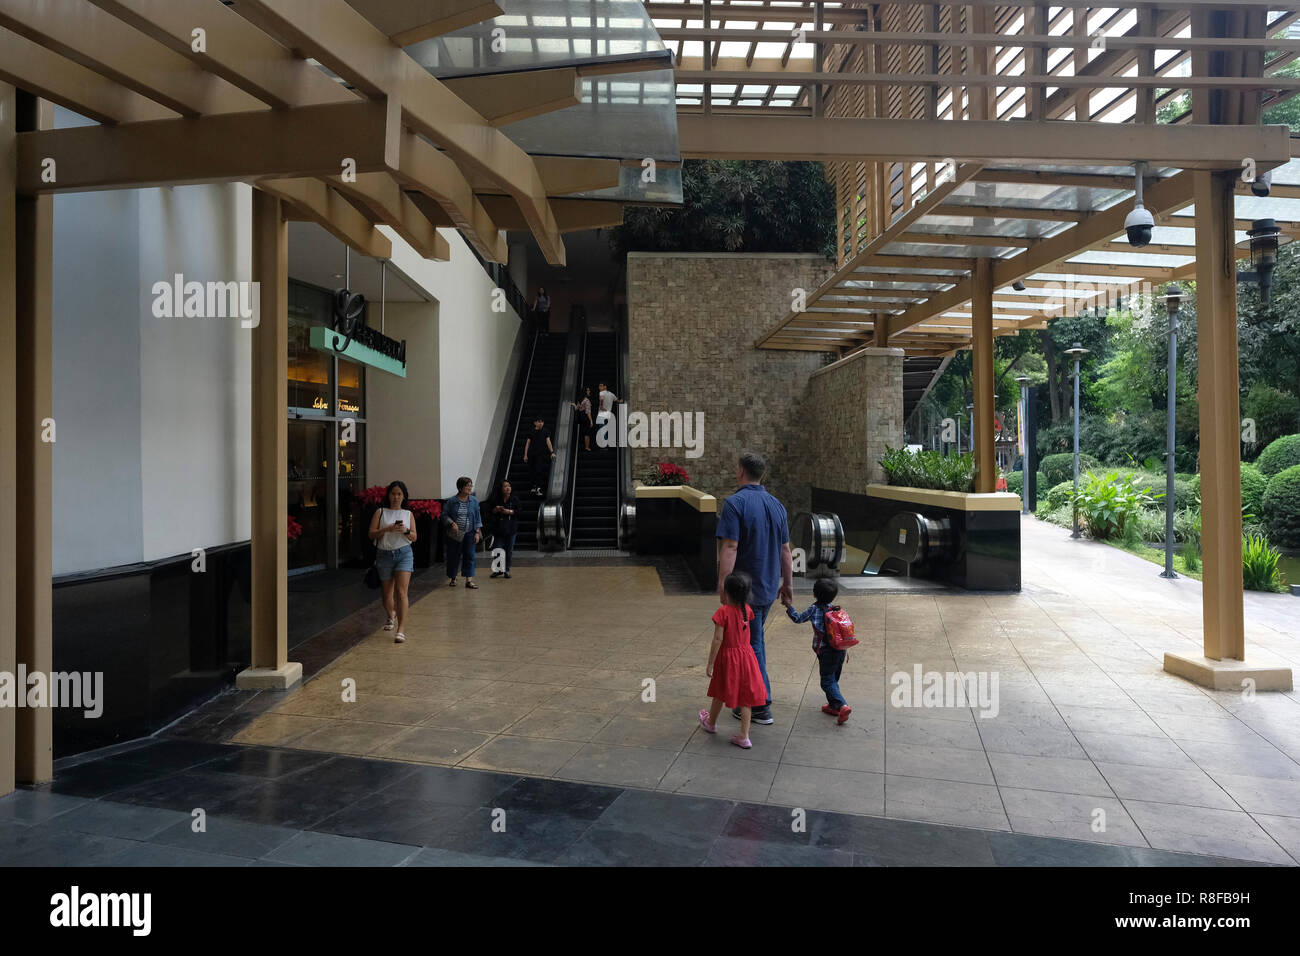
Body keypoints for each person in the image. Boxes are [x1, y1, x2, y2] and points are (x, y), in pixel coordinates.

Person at [715, 452, 793, 725]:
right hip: (769, 587)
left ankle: (759, 704)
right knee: (753, 642)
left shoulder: (735, 504)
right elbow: (786, 551)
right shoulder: (777, 506)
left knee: (751, 645)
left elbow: (730, 547)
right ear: (762, 475)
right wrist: (788, 585)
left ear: (740, 472)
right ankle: (749, 699)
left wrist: (724, 584)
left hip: (743, 591)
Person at [699, 572, 768, 750]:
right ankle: (744, 736)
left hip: (728, 658)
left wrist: (710, 663)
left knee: (720, 692)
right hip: (746, 657)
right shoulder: (748, 609)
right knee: (746, 698)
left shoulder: (723, 612)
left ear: (726, 592)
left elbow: (717, 639)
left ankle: (711, 722)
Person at [787, 578, 852, 725]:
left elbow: (797, 618)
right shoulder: (835, 610)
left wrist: (789, 606)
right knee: (833, 679)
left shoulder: (814, 609)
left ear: (814, 594)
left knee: (827, 681)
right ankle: (834, 706)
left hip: (826, 652)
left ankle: (842, 706)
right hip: (841, 650)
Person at [369, 480, 416, 643]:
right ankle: (391, 615)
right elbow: (371, 534)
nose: (396, 497)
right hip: (384, 554)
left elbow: (414, 537)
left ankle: (401, 629)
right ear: (388, 495)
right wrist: (386, 529)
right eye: (393, 493)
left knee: (402, 592)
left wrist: (406, 531)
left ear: (404, 496)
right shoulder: (380, 512)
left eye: (399, 494)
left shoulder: (407, 514)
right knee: (386, 594)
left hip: (404, 553)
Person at [443, 476, 482, 589]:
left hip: (470, 532)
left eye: (471, 485)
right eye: (467, 485)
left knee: (470, 556)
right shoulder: (452, 501)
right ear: (460, 487)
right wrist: (451, 523)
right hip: (456, 534)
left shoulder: (474, 501)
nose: (470, 488)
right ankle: (453, 578)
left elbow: (478, 517)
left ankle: (469, 580)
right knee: (454, 556)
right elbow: (444, 515)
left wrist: (477, 532)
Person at [486, 478, 520, 579]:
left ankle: (507, 569)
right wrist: (495, 510)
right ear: (501, 488)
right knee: (498, 549)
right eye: (505, 486)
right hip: (498, 528)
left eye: (509, 486)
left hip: (511, 528)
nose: (508, 488)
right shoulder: (496, 499)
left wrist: (509, 512)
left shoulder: (514, 499)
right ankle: (498, 570)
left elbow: (518, 512)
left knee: (509, 550)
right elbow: (489, 512)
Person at [523, 417, 554, 496]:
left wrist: (552, 452)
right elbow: (527, 444)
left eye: (542, 422)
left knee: (539, 470)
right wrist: (525, 455)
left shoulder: (545, 431)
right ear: (535, 423)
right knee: (532, 471)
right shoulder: (531, 431)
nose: (541, 423)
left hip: (540, 454)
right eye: (539, 422)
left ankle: (538, 487)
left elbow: (548, 442)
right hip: (531, 454)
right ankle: (533, 486)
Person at [571, 386, 594, 452]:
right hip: (586, 417)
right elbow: (588, 412)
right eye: (588, 390)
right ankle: (587, 447)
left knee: (584, 431)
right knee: (587, 433)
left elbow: (577, 408)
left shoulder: (580, 399)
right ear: (585, 392)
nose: (589, 391)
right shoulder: (587, 401)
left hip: (581, 417)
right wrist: (591, 420)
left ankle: (584, 445)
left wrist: (574, 405)